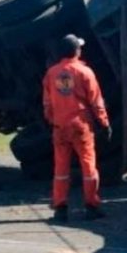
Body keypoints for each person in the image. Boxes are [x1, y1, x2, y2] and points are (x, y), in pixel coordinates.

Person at [42, 34, 112, 222]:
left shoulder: (52, 73)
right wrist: (104, 123)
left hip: (60, 126)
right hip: (81, 126)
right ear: (76, 51)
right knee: (88, 165)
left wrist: (51, 120)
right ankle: (91, 205)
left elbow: (47, 103)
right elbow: (96, 101)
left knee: (61, 168)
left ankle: (60, 208)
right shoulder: (85, 72)